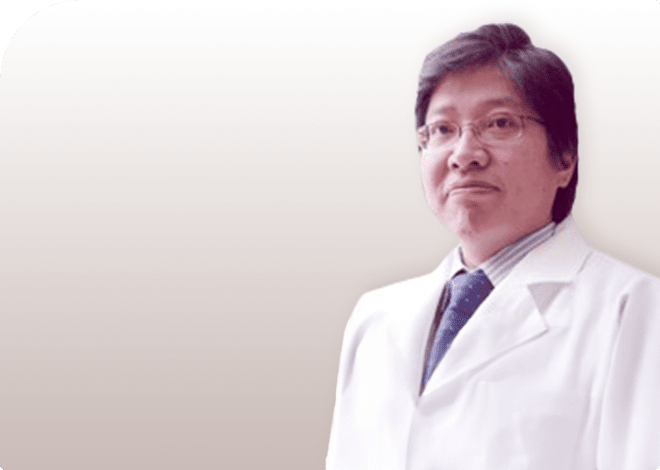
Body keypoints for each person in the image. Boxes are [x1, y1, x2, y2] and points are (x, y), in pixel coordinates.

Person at [326, 23, 660, 470]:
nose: (464, 154)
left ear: (565, 157)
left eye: (500, 123)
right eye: (442, 129)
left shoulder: (634, 309)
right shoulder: (376, 318)